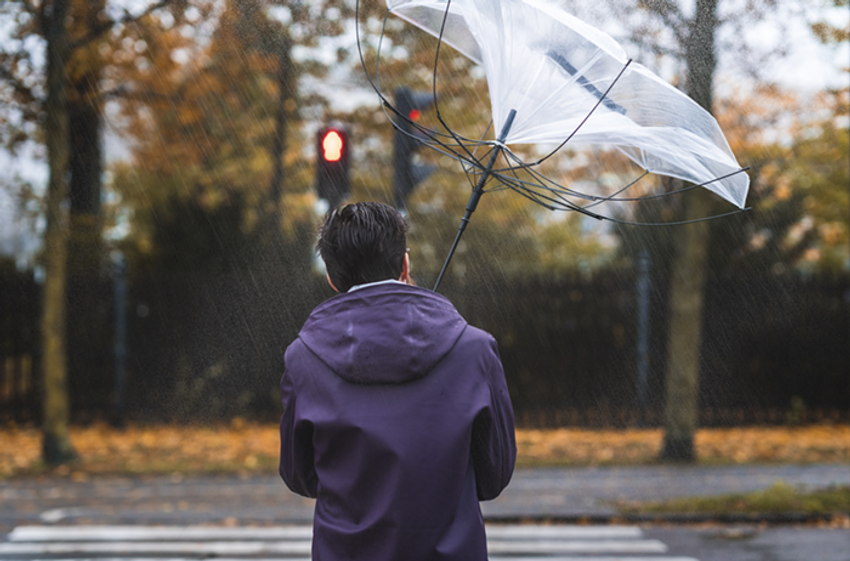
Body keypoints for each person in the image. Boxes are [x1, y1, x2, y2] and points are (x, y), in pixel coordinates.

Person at [279, 201, 516, 561]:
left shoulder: (303, 358)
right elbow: (494, 474)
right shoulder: (475, 350)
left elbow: (301, 476)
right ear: (405, 264)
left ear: (331, 277)